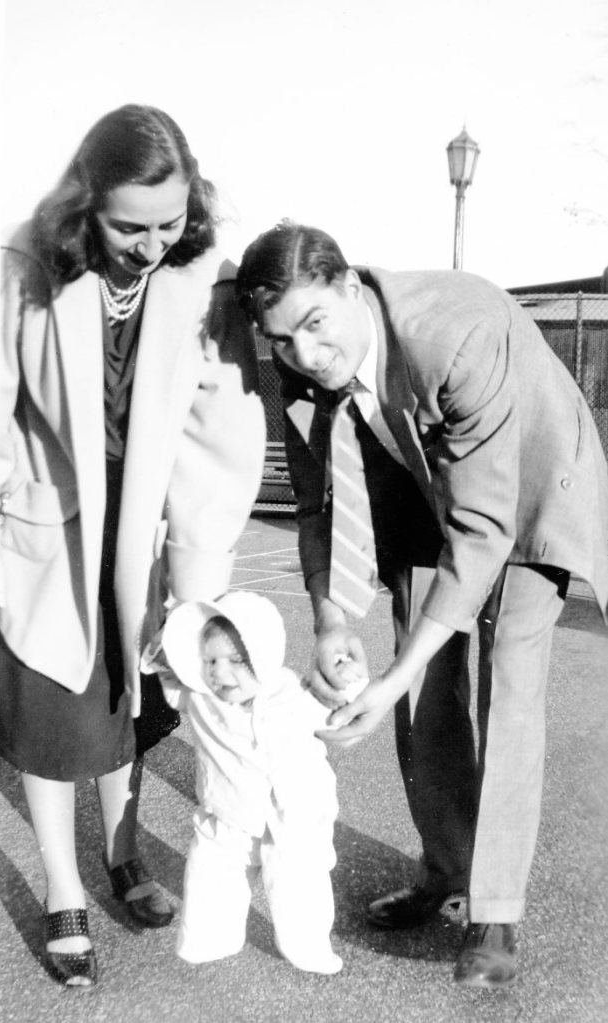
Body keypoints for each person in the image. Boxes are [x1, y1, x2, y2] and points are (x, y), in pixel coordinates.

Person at [235, 222, 608, 990]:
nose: (304, 355)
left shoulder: (456, 333)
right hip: (427, 489)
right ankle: (445, 867)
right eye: (283, 339)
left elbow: (484, 528)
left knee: (505, 680)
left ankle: (494, 909)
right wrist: (331, 619)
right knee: (424, 691)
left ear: (348, 287)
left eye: (313, 325)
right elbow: (315, 506)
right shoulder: (304, 365)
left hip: (534, 488)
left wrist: (393, 673)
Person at [0, 104, 265, 989]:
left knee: (131, 699)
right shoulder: (23, 267)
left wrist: (194, 579)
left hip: (144, 528)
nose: (153, 245)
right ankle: (64, 892)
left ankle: (121, 854)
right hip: (51, 525)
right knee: (55, 707)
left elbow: (220, 433)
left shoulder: (202, 279)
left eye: (171, 222)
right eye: (128, 225)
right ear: (84, 206)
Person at [142, 590, 348, 974]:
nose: (220, 672)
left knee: (300, 882)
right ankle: (210, 939)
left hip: (294, 814)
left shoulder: (294, 693)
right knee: (211, 872)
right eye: (210, 661)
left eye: (236, 660)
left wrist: (348, 681)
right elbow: (161, 667)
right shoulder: (199, 697)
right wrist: (165, 639)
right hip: (229, 812)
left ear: (264, 654)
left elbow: (336, 704)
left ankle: (307, 946)